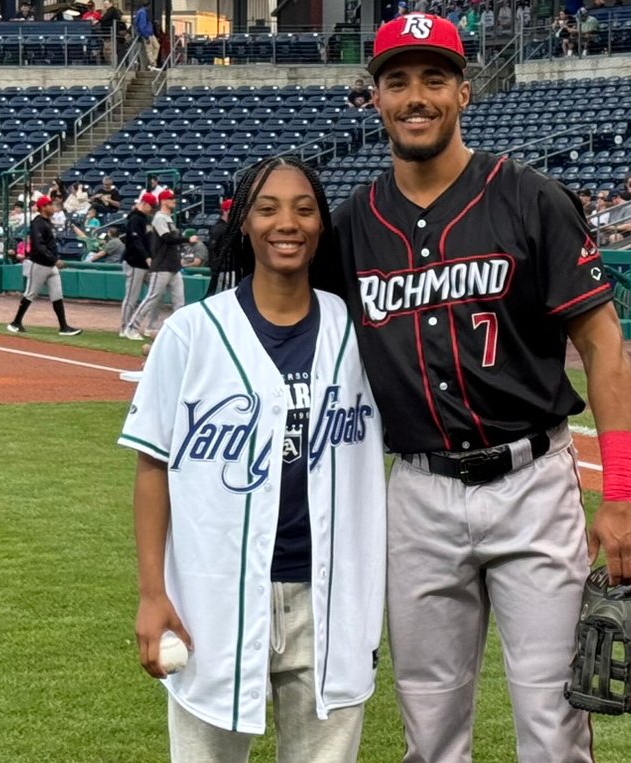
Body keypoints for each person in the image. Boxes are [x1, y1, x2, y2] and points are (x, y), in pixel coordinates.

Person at [308, 14, 631, 763]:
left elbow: (602, 346)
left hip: (531, 483)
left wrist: (620, 494)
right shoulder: (351, 228)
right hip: (418, 493)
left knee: (553, 719)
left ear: (464, 91)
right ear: (374, 99)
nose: (415, 96)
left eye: (433, 78)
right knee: (427, 727)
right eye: (397, 81)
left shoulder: (528, 198)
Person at [124, 155, 386, 763]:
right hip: (212, 595)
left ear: (322, 225)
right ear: (243, 222)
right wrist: (150, 592)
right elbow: (152, 468)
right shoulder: (191, 332)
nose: (285, 222)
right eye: (266, 208)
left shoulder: (359, 332)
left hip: (330, 596)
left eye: (303, 208)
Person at [123, 189, 198, 340]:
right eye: (171, 199)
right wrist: (186, 240)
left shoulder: (168, 218)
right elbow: (167, 238)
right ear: (163, 201)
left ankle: (179, 332)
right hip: (162, 265)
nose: (174, 201)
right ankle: (131, 327)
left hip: (173, 265)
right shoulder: (159, 218)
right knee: (152, 297)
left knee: (179, 301)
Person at [7, 196, 83, 336]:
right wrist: (54, 260)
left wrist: (53, 261)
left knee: (57, 295)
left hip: (50, 266)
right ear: (43, 207)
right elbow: (39, 247)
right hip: (40, 264)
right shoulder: (37, 223)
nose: (52, 207)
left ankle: (64, 327)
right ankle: (16, 322)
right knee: (30, 294)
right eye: (49, 205)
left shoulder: (47, 222)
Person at [120, 193, 156, 334]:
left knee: (155, 293)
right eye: (151, 206)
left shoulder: (145, 219)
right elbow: (136, 241)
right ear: (144, 203)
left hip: (146, 264)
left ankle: (150, 326)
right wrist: (147, 257)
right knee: (131, 297)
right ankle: (124, 327)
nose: (152, 209)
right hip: (135, 262)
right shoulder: (135, 219)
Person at [136, 0, 160, 71]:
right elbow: (142, 25)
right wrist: (145, 35)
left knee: (156, 46)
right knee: (149, 49)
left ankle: (153, 62)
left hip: (150, 33)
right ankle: (152, 64)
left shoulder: (142, 12)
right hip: (147, 33)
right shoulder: (142, 12)